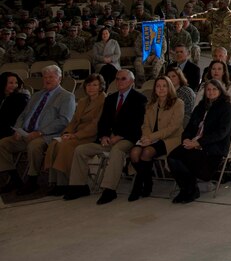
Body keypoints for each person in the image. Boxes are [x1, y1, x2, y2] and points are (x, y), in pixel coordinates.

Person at [64, 70, 147, 204]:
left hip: (127, 139)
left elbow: (138, 124)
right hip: (108, 139)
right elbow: (103, 122)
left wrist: (119, 137)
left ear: (131, 81)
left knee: (117, 150)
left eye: (123, 79)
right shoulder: (111, 98)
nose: (119, 81)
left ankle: (109, 189)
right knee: (81, 150)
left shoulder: (139, 99)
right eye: (117, 79)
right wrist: (103, 136)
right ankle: (79, 186)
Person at [0, 65, 76, 194]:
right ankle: (15, 178)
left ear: (59, 78)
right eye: (45, 77)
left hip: (47, 135)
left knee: (34, 146)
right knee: (3, 144)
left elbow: (64, 120)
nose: (47, 80)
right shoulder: (36, 95)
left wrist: (41, 132)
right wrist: (18, 129)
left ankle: (32, 179)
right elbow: (23, 115)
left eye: (51, 77)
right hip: (26, 133)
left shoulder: (66, 96)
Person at [168, 78, 231, 203]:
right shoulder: (201, 106)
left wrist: (199, 142)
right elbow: (190, 127)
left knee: (185, 159)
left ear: (221, 91)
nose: (211, 92)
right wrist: (187, 139)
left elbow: (221, 133)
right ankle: (187, 189)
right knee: (172, 157)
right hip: (193, 143)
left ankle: (190, 190)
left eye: (214, 89)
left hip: (212, 147)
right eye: (208, 89)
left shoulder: (226, 107)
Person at [44, 73, 106, 195]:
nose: (91, 87)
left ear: (100, 87)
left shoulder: (104, 101)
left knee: (65, 146)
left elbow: (95, 125)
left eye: (95, 85)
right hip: (76, 133)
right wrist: (67, 133)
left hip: (90, 136)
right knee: (55, 143)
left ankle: (65, 184)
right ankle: (57, 182)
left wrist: (75, 136)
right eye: (88, 85)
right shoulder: (83, 101)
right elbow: (73, 121)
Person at [128, 76, 183, 202]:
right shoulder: (150, 104)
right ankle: (148, 182)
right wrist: (147, 137)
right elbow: (145, 125)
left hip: (170, 139)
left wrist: (151, 138)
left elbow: (173, 128)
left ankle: (138, 187)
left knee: (147, 152)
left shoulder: (178, 103)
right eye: (158, 86)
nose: (161, 89)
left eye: (164, 86)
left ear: (169, 88)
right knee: (134, 153)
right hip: (150, 138)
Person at [0, 71, 30, 140]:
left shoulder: (21, 98)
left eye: (16, 83)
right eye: (11, 83)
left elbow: (16, 120)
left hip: (12, 129)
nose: (14, 85)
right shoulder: (3, 97)